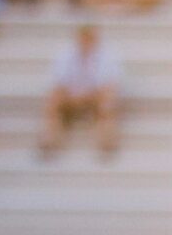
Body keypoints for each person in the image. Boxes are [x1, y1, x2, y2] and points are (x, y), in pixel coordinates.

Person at [41, 24, 122, 158]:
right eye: (83, 38)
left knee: (108, 100)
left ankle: (107, 140)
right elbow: (58, 82)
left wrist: (87, 96)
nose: (86, 42)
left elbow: (109, 85)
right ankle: (49, 140)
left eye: (89, 38)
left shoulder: (108, 56)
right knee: (53, 99)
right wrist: (74, 96)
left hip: (94, 97)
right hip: (72, 96)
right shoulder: (65, 55)